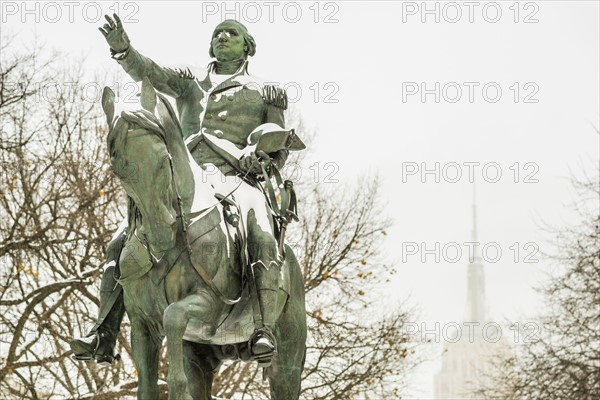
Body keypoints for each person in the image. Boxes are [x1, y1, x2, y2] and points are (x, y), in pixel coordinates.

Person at [70, 14, 294, 366]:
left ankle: (264, 329)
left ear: (247, 47)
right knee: (122, 239)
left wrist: (260, 160)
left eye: (232, 34)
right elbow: (151, 74)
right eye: (218, 33)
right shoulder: (192, 84)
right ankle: (103, 331)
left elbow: (277, 150)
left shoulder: (265, 92)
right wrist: (124, 50)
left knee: (261, 235)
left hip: (236, 179)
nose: (223, 37)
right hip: (187, 179)